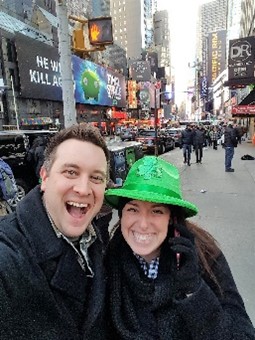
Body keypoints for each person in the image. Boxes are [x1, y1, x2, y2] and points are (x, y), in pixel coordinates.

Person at [104, 156, 255, 340]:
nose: (143, 224)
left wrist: (194, 290)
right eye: (133, 209)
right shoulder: (110, 258)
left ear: (172, 219)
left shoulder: (204, 255)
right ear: (121, 215)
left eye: (157, 211)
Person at [0, 123, 110, 339]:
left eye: (96, 177)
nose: (83, 189)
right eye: (71, 172)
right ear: (44, 177)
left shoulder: (96, 240)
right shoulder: (7, 259)